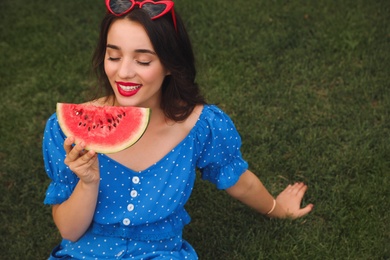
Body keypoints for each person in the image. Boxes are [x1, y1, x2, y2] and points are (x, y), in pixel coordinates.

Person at [42, 0, 314, 259]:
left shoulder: (200, 126)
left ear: (170, 64)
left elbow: (240, 181)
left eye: (143, 61)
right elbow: (70, 231)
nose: (123, 72)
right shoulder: (66, 130)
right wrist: (88, 182)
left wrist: (277, 210)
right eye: (113, 56)